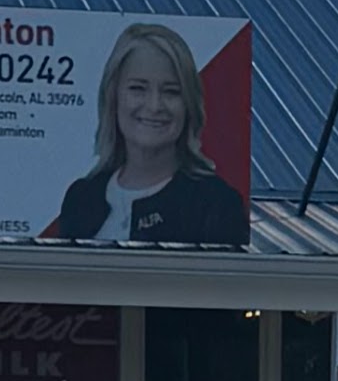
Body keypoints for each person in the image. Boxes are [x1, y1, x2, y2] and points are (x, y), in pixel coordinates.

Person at [43, 23, 248, 245]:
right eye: (138, 88)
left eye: (171, 92)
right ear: (113, 97)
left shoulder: (216, 204)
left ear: (189, 104)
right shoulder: (81, 198)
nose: (154, 106)